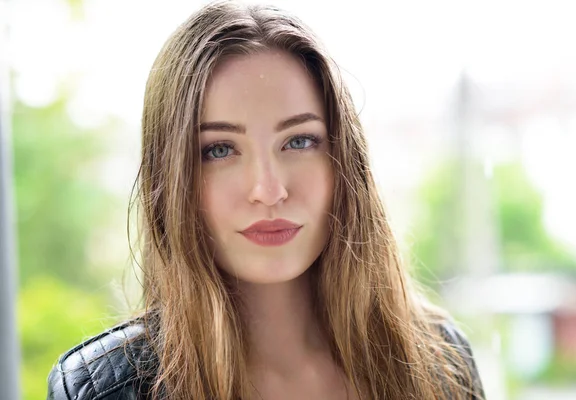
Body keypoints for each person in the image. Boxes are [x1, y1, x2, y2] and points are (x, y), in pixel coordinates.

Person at [47, 1, 486, 399]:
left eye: (298, 141)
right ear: (172, 177)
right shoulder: (103, 390)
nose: (269, 190)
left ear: (344, 161)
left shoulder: (441, 364)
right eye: (219, 150)